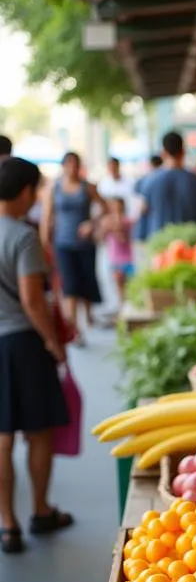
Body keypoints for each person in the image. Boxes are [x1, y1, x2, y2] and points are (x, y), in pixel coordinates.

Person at [0, 158, 73, 554]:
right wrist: (53, 342)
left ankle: (7, 524)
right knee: (38, 432)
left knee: (1, 438)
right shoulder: (24, 237)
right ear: (27, 191)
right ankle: (41, 510)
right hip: (23, 344)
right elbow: (32, 300)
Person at [41, 152, 105, 344]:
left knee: (86, 279)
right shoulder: (54, 188)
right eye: (68, 164)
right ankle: (74, 328)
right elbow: (47, 217)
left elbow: (104, 207)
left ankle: (88, 314)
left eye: (75, 164)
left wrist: (91, 224)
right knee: (69, 285)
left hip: (85, 243)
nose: (72, 168)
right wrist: (45, 245)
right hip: (63, 243)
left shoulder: (87, 187)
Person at [139, 131, 196, 237]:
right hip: (191, 247)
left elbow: (143, 210)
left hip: (160, 245)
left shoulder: (149, 181)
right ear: (183, 151)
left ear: (163, 153)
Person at [98, 198, 134, 306]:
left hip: (127, 259)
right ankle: (122, 306)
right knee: (119, 286)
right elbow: (101, 238)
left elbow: (126, 238)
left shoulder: (127, 221)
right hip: (115, 259)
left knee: (129, 285)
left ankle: (128, 305)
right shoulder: (106, 222)